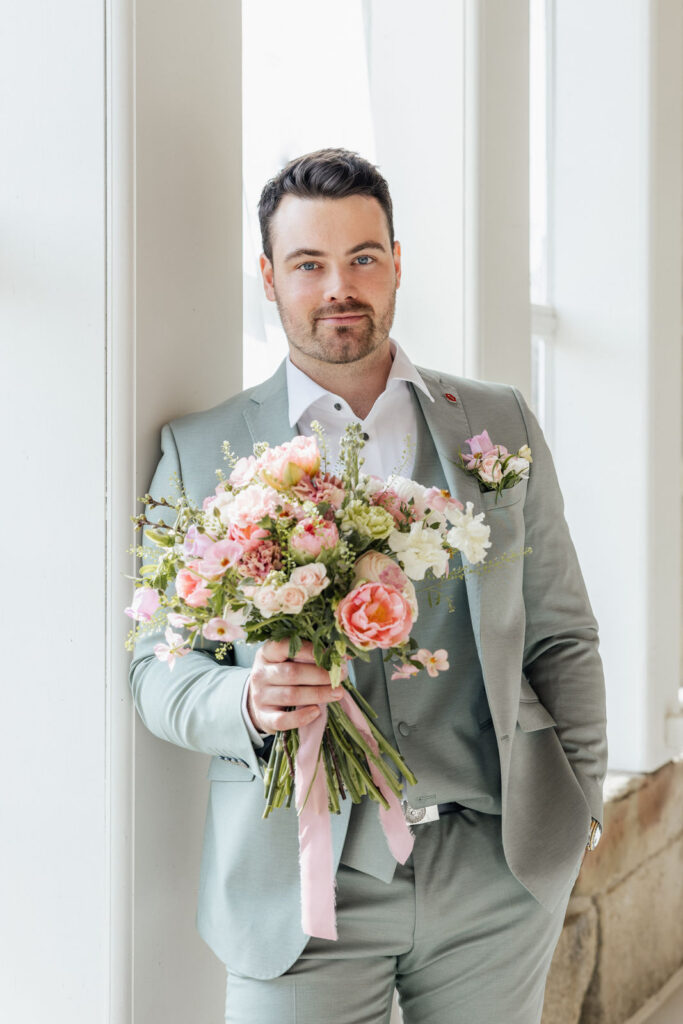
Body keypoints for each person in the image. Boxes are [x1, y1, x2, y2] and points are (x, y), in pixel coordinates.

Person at [129, 148, 608, 1024]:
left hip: (494, 874)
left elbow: (560, 634)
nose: (338, 286)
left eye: (362, 258)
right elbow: (157, 671)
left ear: (396, 265)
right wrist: (247, 699)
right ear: (269, 278)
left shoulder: (494, 421)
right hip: (297, 890)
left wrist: (578, 806)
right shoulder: (200, 453)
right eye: (309, 264)